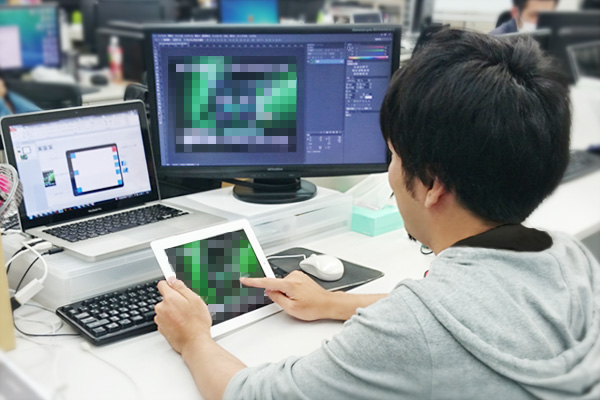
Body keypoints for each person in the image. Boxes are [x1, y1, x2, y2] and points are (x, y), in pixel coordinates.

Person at [154, 29, 600, 400]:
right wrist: (332, 303)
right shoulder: (569, 258)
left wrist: (193, 338)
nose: (390, 173)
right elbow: (464, 313)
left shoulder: (412, 331)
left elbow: (253, 394)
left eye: (394, 156)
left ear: (433, 185)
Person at [490, 0, 559, 35]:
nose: (543, 21)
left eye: (548, 15)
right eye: (534, 15)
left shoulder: (558, 38)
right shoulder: (494, 44)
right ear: (515, 13)